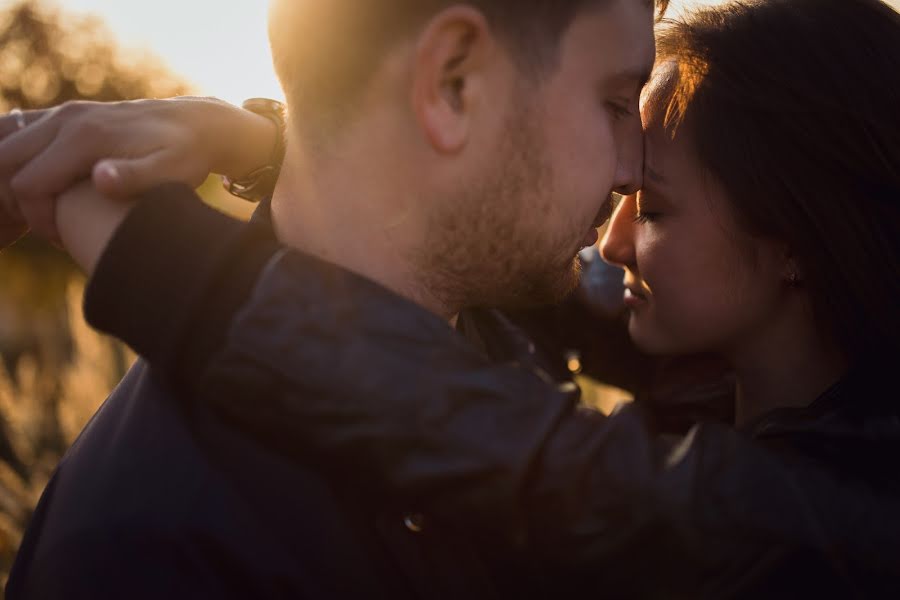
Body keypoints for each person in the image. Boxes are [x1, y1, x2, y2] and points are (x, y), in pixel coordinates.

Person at [4, 0, 899, 596]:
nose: (624, 183)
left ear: (798, 244)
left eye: (657, 205)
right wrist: (268, 143)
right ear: (452, 84)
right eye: (614, 101)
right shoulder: (152, 542)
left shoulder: (848, 505)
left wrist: (159, 257)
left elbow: (539, 456)